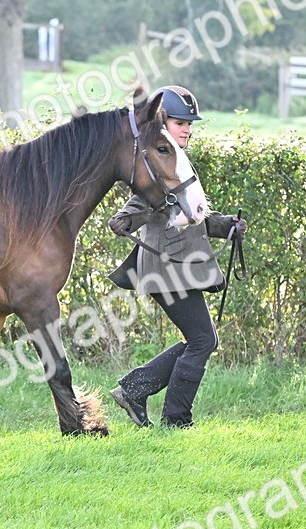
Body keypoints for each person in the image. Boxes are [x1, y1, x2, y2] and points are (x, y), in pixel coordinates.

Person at [106, 85, 247, 429]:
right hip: (166, 267)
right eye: (179, 121)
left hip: (177, 267)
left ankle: (134, 391)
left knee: (199, 339)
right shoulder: (155, 161)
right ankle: (175, 419)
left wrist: (226, 225)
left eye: (189, 123)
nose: (186, 128)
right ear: (160, 122)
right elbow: (141, 202)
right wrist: (124, 220)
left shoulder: (176, 159)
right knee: (203, 340)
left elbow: (191, 213)